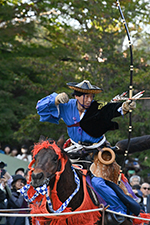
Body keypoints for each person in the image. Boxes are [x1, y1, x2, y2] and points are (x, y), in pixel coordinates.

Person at [36, 80, 138, 216]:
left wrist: (124, 107)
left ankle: (119, 210)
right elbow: (40, 108)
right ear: (76, 96)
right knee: (52, 175)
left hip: (98, 152)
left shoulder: (96, 107)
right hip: (73, 151)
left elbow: (110, 110)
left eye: (91, 96)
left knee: (98, 183)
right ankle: (43, 209)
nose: (89, 100)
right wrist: (55, 99)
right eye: (86, 96)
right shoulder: (67, 106)